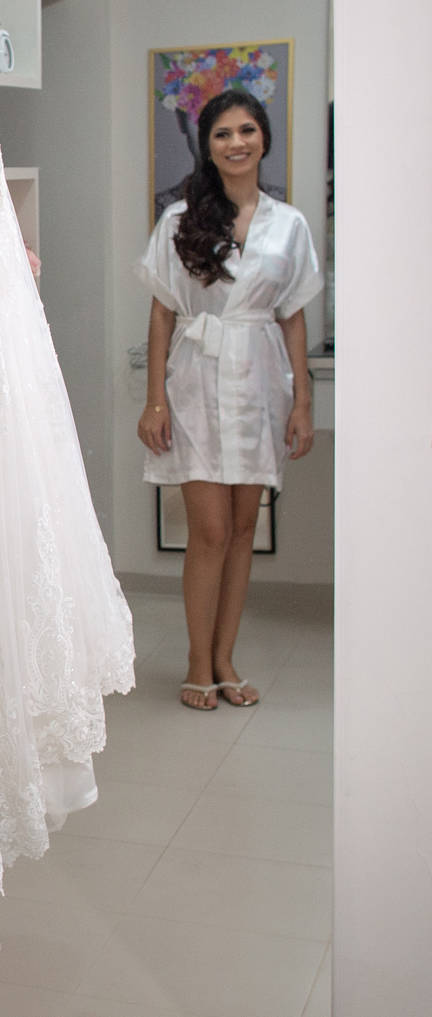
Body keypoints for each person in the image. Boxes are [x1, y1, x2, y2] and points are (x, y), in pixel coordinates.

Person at [136, 89, 323, 710]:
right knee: (210, 531)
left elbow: (293, 316)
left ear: (264, 138)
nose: (236, 142)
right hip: (195, 380)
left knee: (244, 527)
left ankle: (225, 658)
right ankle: (197, 662)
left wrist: (302, 401)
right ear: (208, 146)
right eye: (222, 133)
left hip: (262, 380)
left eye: (247, 130)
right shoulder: (179, 219)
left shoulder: (289, 224)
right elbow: (162, 314)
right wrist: (154, 400)